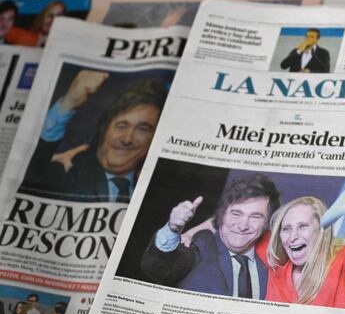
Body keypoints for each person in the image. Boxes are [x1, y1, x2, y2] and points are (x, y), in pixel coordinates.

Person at [19, 71, 168, 202]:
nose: (127, 139)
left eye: (142, 129)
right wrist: (68, 104)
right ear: (105, 130)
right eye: (121, 126)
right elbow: (31, 176)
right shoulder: (69, 170)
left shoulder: (154, 186)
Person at [140, 174, 279, 299]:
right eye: (236, 214)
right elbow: (158, 269)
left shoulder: (271, 262)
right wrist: (172, 229)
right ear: (222, 214)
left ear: (267, 223)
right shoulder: (203, 245)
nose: (243, 226)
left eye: (255, 217)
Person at [265, 194, 345, 309]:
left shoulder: (344, 263)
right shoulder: (276, 271)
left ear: (322, 230)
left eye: (303, 226)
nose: (292, 237)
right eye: (286, 229)